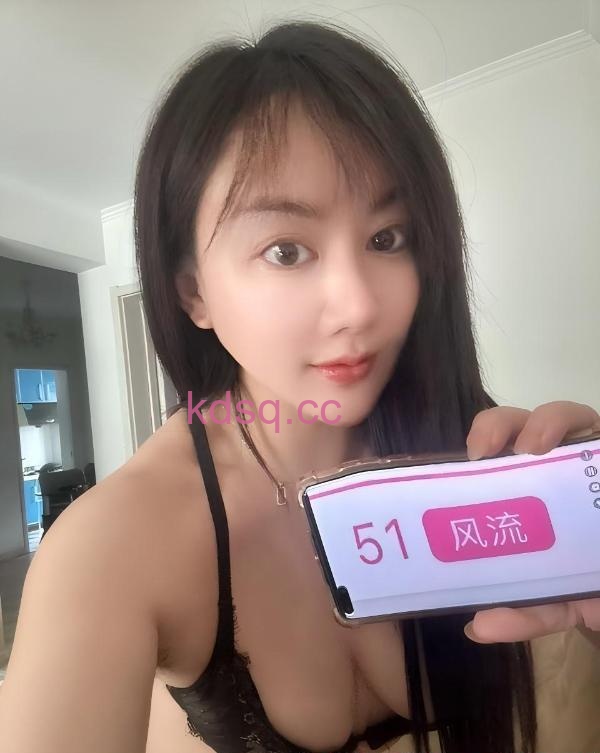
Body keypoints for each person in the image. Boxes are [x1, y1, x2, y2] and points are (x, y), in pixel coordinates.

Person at [1, 18, 599, 753]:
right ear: (194, 292)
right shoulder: (113, 546)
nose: (360, 306)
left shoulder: (471, 459)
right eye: (287, 250)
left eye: (387, 238)